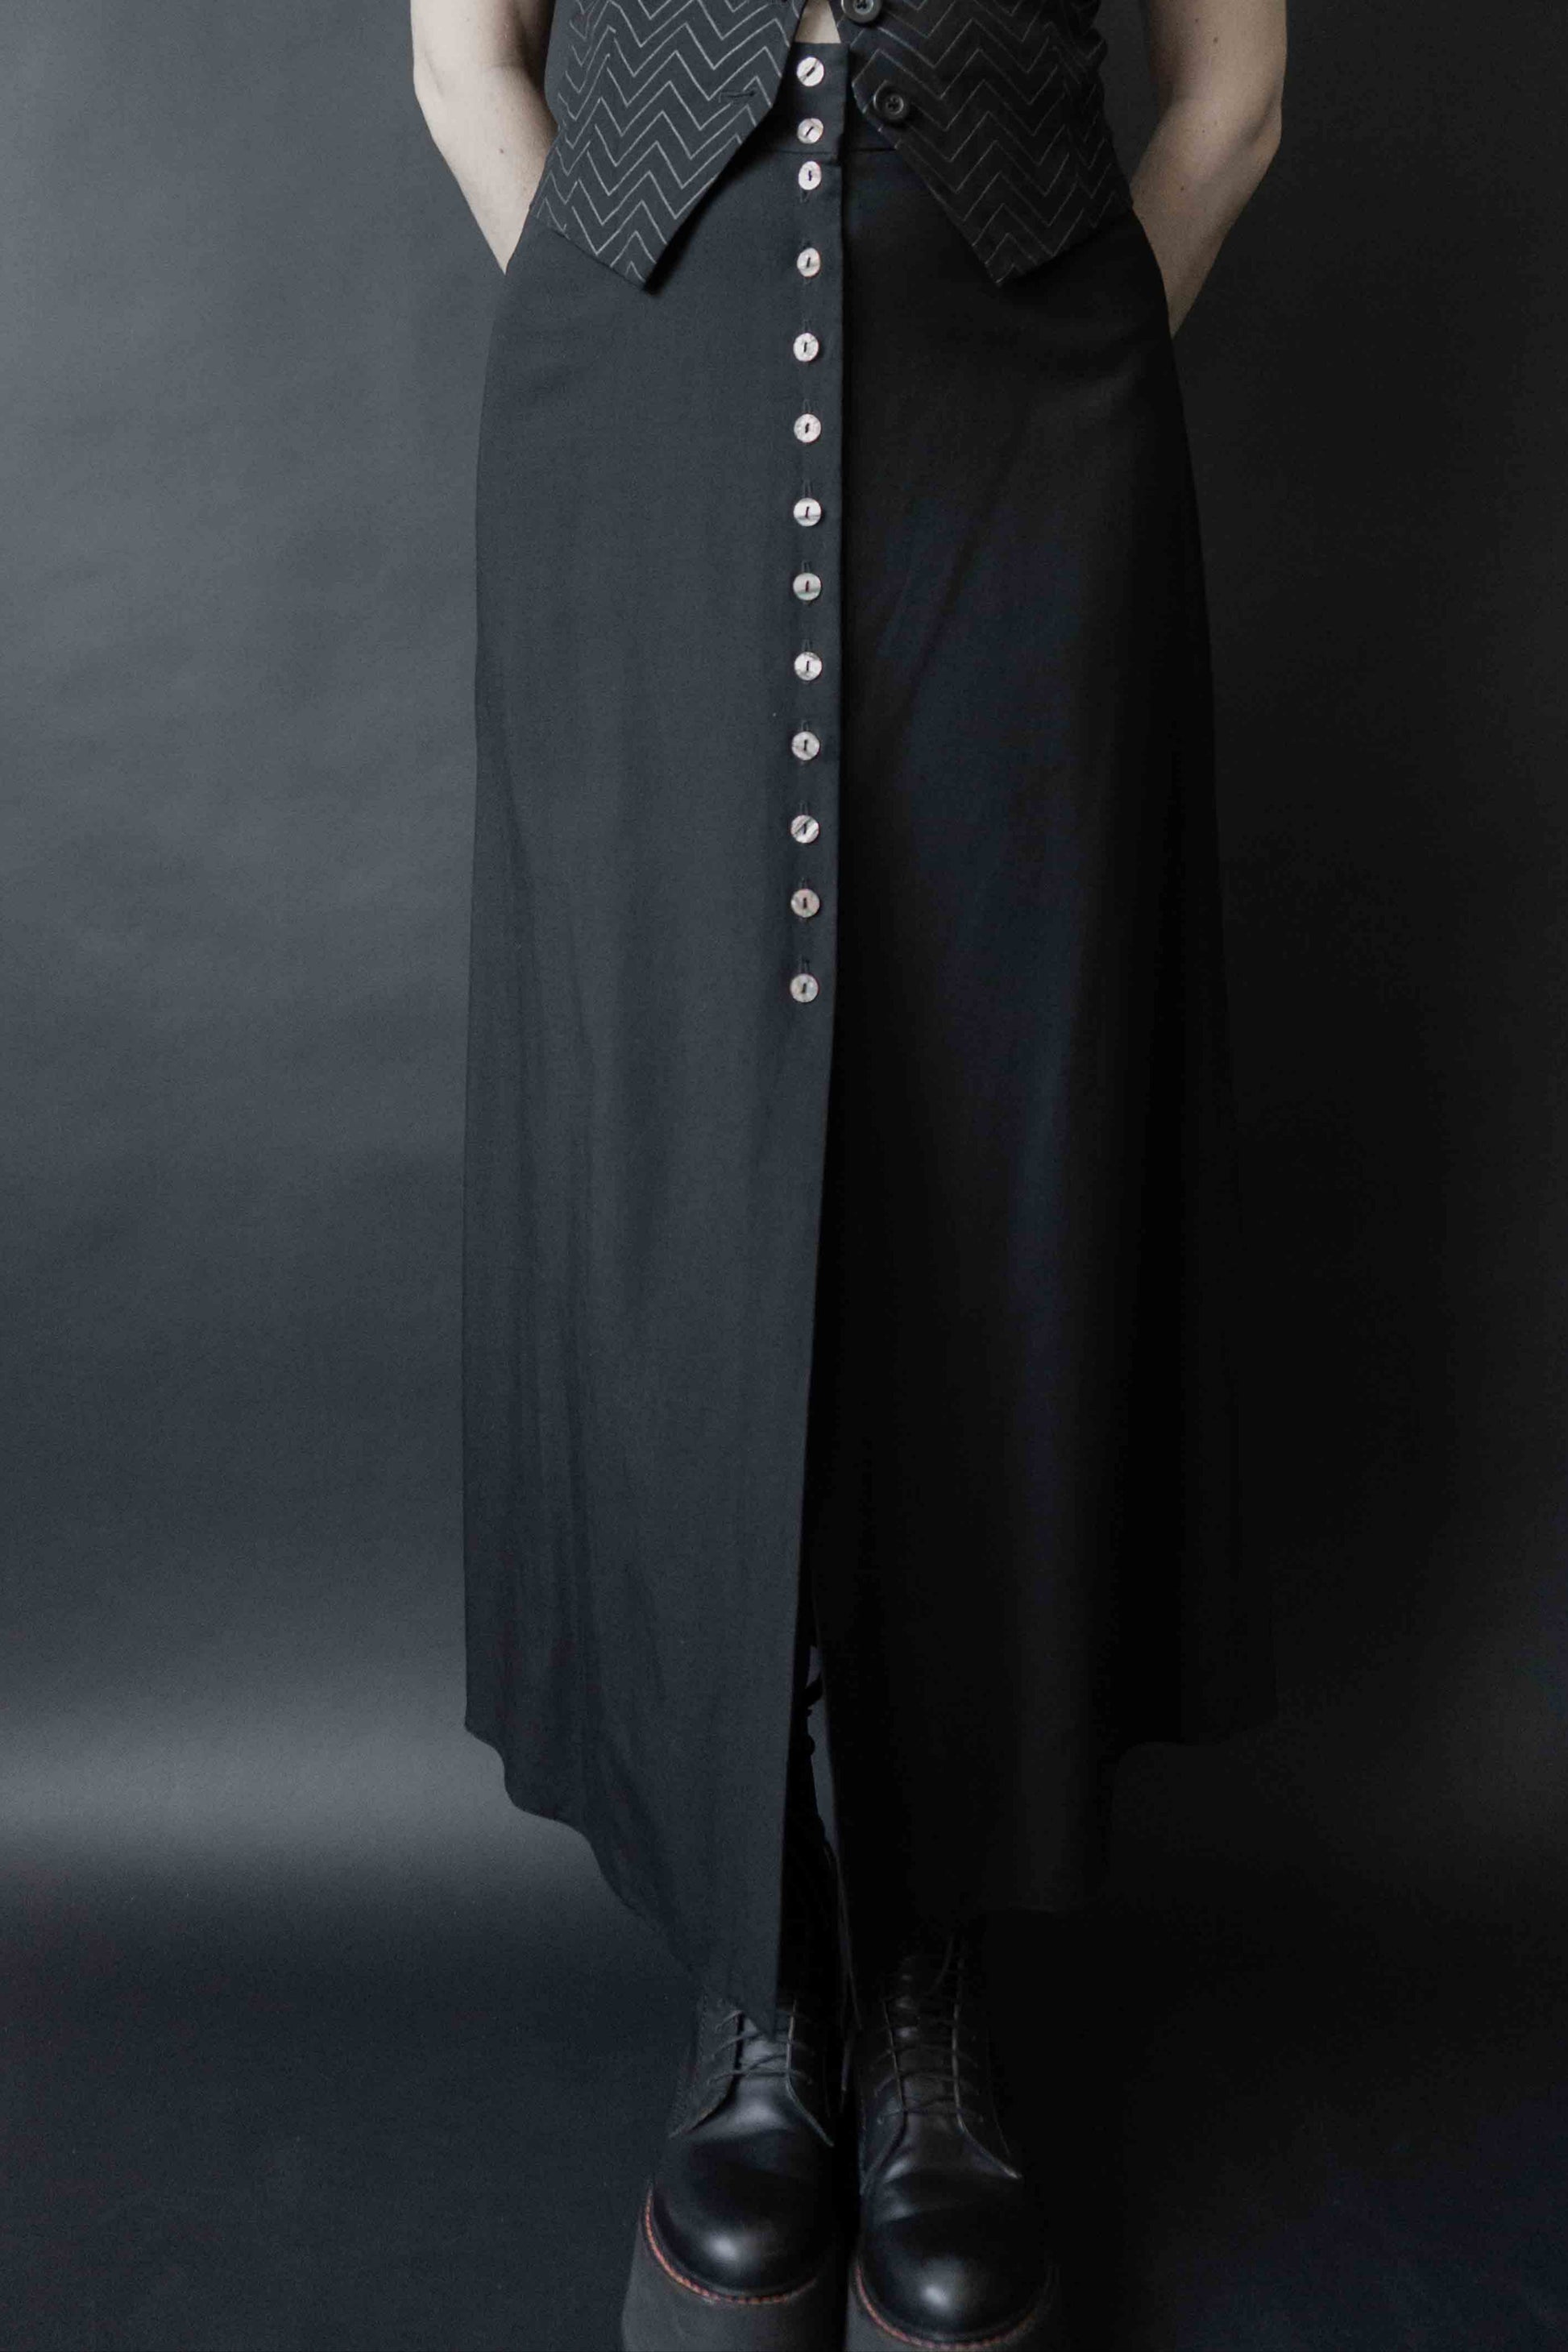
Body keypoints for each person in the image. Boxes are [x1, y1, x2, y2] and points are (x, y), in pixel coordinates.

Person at [413, 0, 1287, 2341]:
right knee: (672, 1164)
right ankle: (752, 1977)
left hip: (1033, 428)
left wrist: (1060, 338)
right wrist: (639, 319)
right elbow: (463, 60)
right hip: (636, 411)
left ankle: (929, 1985)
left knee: (995, 1149)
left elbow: (1231, 99)